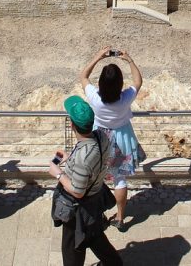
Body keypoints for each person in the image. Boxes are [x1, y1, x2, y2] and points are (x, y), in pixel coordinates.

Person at [48, 96, 122, 266]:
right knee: (94, 235)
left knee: (73, 247)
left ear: (72, 125)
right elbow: (92, 162)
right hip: (95, 198)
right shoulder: (102, 136)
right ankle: (114, 263)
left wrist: (58, 173)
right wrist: (70, 158)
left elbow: (77, 191)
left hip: (78, 209)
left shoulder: (84, 156)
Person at [80, 46, 144, 232]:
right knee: (120, 179)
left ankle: (97, 214)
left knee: (96, 178)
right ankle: (121, 218)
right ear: (120, 84)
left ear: (100, 83)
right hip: (122, 138)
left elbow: (83, 77)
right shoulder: (125, 98)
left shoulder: (95, 98)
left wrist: (97, 57)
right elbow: (138, 81)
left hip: (100, 139)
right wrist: (129, 59)